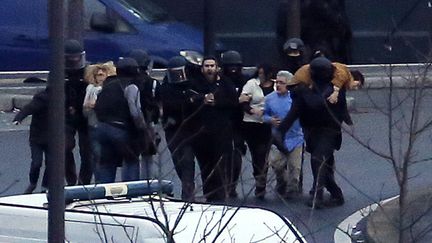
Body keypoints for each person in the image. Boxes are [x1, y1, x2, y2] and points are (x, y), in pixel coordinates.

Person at [276, 56, 347, 209]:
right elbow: (294, 112)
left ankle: (317, 194)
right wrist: (280, 131)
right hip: (311, 130)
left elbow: (316, 103)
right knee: (323, 165)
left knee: (318, 159)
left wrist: (302, 92)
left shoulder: (335, 90)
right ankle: (336, 194)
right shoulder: (305, 89)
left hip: (329, 131)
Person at [188, 56, 238, 202]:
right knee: (205, 168)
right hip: (202, 134)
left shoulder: (226, 83)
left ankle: (221, 196)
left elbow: (233, 102)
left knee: (221, 167)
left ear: (217, 68)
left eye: (212, 66)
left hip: (221, 133)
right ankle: (209, 195)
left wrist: (216, 102)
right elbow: (189, 101)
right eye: (206, 66)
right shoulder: (196, 83)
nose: (209, 69)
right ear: (202, 68)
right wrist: (202, 100)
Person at [94, 58, 147, 183]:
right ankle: (131, 194)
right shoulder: (131, 86)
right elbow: (135, 111)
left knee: (107, 162)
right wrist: (142, 129)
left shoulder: (108, 85)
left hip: (101, 127)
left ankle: (104, 194)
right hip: (120, 128)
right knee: (131, 159)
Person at [159, 56, 199, 201]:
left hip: (188, 129)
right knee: (178, 160)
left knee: (187, 160)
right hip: (173, 129)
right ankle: (186, 186)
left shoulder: (192, 84)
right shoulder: (166, 88)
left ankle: (188, 192)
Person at [263, 71, 304, 198]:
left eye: (282, 83)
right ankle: (281, 182)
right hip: (278, 138)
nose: (278, 85)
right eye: (277, 82)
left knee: (295, 167)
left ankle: (292, 190)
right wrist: (270, 120)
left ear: (289, 84)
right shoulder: (270, 99)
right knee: (276, 164)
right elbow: (264, 115)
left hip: (296, 137)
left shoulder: (296, 98)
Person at [238, 64, 275, 199]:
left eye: (263, 73)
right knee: (258, 153)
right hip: (253, 124)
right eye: (259, 73)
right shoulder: (252, 84)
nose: (261, 76)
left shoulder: (277, 85)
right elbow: (243, 101)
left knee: (270, 152)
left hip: (270, 123)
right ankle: (260, 180)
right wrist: (252, 110)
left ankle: (284, 181)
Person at [127, 49, 160, 180]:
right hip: (149, 121)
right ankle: (148, 186)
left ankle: (131, 188)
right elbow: (157, 102)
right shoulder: (152, 82)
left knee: (130, 158)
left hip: (130, 122)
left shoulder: (128, 82)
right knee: (148, 156)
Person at [64, 39, 92, 185]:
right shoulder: (58, 72)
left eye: (77, 58)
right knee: (65, 147)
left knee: (88, 153)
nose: (74, 61)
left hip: (85, 116)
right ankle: (71, 180)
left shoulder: (88, 71)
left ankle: (84, 183)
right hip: (66, 116)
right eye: (71, 59)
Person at [220, 50, 248, 198]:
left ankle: (232, 186)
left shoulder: (245, 81)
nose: (233, 69)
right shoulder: (221, 81)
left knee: (236, 157)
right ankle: (224, 184)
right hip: (223, 123)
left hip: (239, 124)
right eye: (229, 66)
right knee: (223, 156)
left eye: (235, 66)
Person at [83, 61, 116, 181]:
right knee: (97, 155)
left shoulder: (111, 89)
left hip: (107, 124)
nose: (100, 77)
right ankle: (99, 181)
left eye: (103, 74)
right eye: (98, 75)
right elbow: (85, 109)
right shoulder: (91, 89)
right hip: (94, 124)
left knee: (107, 156)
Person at [13, 87, 50, 193]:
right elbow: (29, 108)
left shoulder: (62, 99)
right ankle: (33, 183)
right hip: (37, 137)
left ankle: (45, 186)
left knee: (51, 163)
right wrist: (19, 118)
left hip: (52, 137)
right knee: (36, 162)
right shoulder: (42, 99)